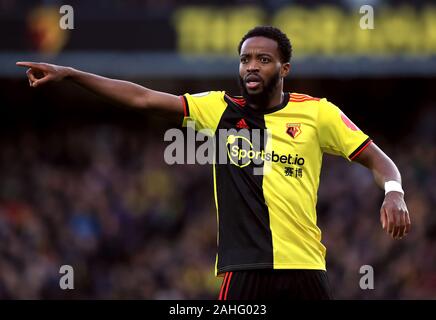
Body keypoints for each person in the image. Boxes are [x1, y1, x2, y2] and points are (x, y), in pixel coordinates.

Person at [17, 26, 410, 300]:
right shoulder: (217, 108)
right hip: (243, 268)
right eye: (245, 59)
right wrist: (71, 74)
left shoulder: (318, 114)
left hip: (305, 265)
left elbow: (380, 160)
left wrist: (394, 193)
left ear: (284, 69)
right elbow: (142, 98)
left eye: (263, 59)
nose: (251, 66)